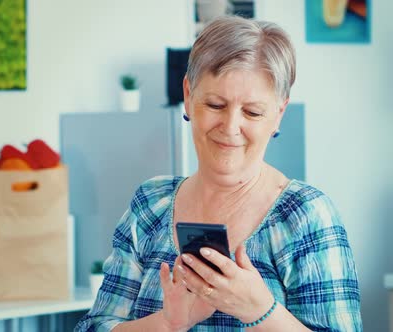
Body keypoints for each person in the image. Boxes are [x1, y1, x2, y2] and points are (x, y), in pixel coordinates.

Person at [75, 15, 362, 331]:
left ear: (279, 113)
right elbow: (94, 326)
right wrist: (168, 324)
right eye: (215, 104)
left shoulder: (306, 216)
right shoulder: (150, 205)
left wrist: (260, 311)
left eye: (252, 112)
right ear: (188, 96)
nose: (230, 127)